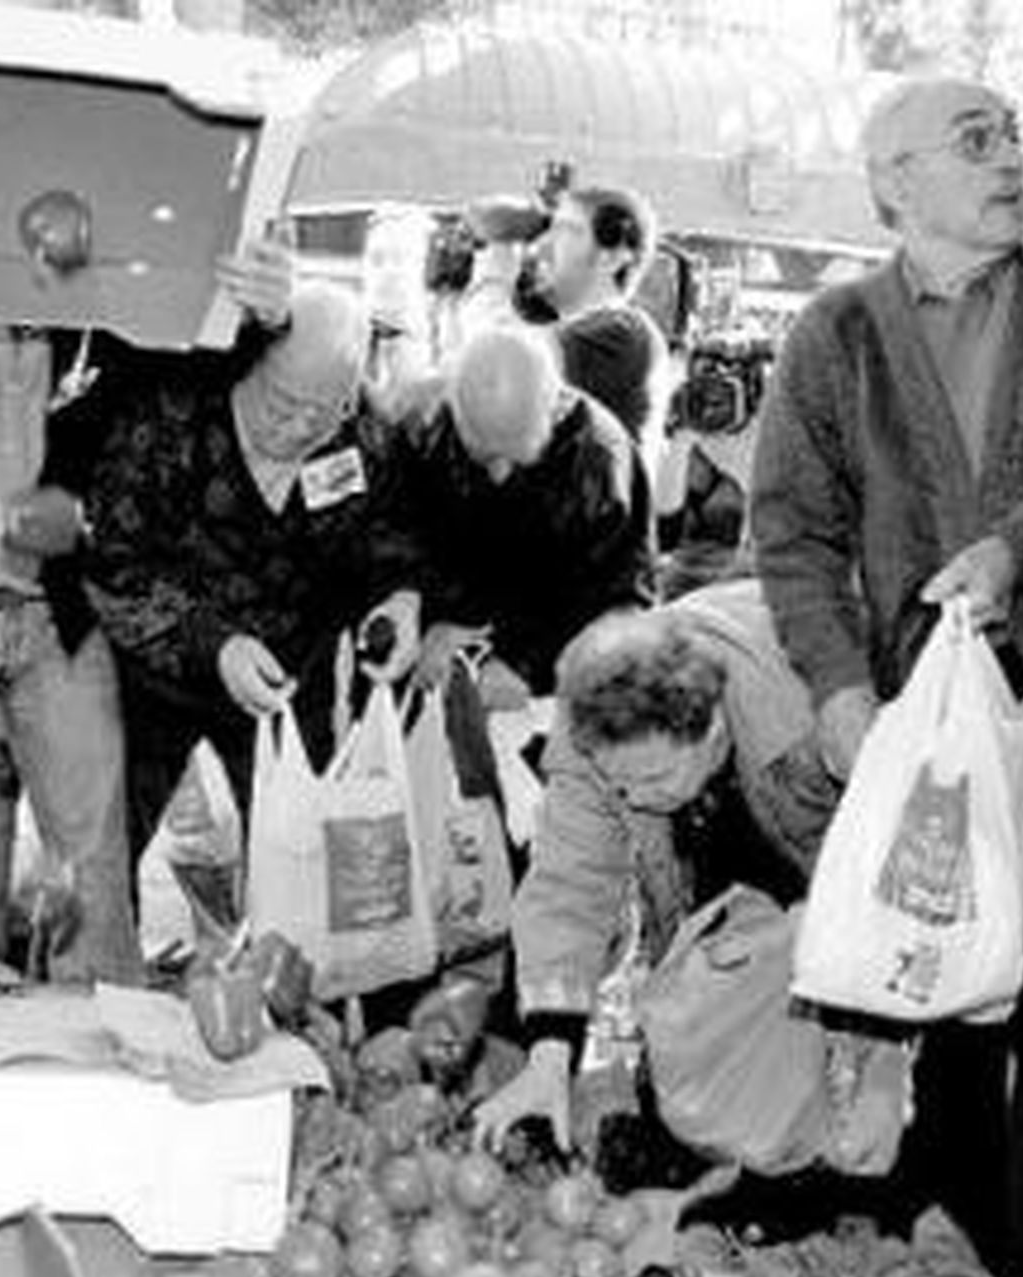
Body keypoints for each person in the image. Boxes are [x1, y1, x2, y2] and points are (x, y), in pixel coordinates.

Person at [749, 76, 1023, 1277]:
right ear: (895, 181)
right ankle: (966, 1230)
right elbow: (791, 531)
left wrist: (1015, 545)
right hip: (922, 715)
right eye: (972, 140)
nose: (1007, 158)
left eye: (1012, 135)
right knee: (955, 981)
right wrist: (830, 680)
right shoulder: (834, 335)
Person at [469, 582, 840, 1153]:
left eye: (654, 782)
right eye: (621, 786)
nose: (635, 800)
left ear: (711, 732)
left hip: (822, 836)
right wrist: (550, 1053)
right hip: (711, 848)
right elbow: (571, 882)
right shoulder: (595, 722)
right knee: (712, 1001)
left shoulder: (813, 718)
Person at [67, 281, 428, 863]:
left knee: (287, 872)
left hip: (287, 698)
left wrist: (398, 601)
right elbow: (114, 568)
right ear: (249, 365)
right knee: (109, 865)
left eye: (323, 413)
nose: (297, 428)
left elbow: (389, 538)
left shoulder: (364, 435)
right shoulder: (168, 419)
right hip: (152, 701)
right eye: (282, 404)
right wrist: (216, 646)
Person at [410, 325, 655, 707]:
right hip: (446, 663)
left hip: (553, 685)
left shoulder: (603, 463)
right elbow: (408, 541)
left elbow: (622, 604)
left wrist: (530, 665)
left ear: (554, 410)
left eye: (517, 455)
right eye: (484, 456)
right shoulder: (429, 428)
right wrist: (427, 621)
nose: (499, 475)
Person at [521, 185, 671, 457]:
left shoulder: (621, 334)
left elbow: (498, 369)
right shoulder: (582, 331)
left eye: (567, 231)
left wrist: (496, 258)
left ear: (613, 257)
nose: (542, 246)